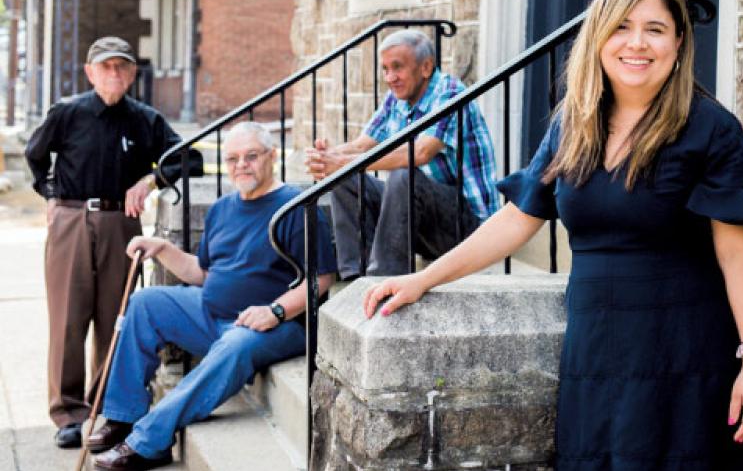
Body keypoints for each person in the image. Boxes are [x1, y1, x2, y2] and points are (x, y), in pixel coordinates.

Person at [362, 0, 743, 468]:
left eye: (655, 29)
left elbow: (736, 251)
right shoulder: (574, 124)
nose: (637, 44)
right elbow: (518, 219)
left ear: (678, 43)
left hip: (687, 352)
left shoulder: (711, 129)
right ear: (599, 37)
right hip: (597, 354)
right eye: (622, 27)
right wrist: (424, 278)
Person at [88, 122, 336, 470]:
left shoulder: (295, 207)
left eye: (251, 156)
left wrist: (275, 311)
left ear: (272, 157)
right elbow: (202, 273)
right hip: (210, 313)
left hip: (272, 326)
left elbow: (321, 278)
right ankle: (122, 417)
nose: (241, 165)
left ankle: (149, 441)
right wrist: (161, 247)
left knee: (235, 345)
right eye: (232, 159)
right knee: (145, 303)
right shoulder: (222, 209)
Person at [24, 36, 203, 449]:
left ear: (132, 73)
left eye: (122, 66)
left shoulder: (145, 119)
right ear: (91, 72)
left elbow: (188, 159)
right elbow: (36, 155)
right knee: (67, 318)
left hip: (122, 224)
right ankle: (68, 412)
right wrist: (50, 195)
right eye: (106, 67)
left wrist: (150, 179)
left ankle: (104, 405)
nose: (114, 73)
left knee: (114, 318)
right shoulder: (66, 113)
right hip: (70, 219)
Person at [305, 29, 499, 278]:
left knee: (404, 175)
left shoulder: (450, 94)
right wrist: (328, 156)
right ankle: (355, 277)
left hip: (470, 229)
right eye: (385, 69)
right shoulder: (397, 98)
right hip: (425, 220)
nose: (390, 77)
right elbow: (362, 144)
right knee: (346, 177)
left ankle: (384, 277)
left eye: (397, 67)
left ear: (426, 67)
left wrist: (342, 161)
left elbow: (420, 153)